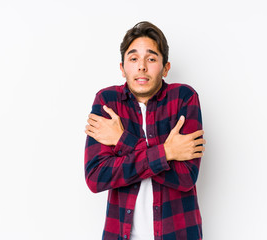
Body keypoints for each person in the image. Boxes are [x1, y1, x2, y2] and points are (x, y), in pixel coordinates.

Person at [84, 21, 205, 240]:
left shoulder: (184, 99)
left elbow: (186, 177)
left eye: (151, 58)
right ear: (122, 68)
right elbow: (96, 177)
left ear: (165, 67)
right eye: (133, 59)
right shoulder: (107, 102)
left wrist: (122, 140)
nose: (142, 66)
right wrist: (167, 152)